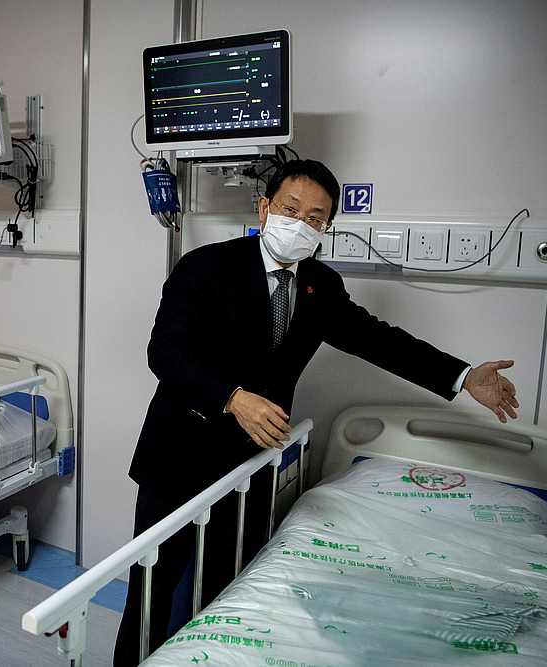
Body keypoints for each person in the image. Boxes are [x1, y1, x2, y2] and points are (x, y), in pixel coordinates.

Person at [112, 158, 520, 665]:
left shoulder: (319, 286)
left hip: (252, 464)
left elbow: (378, 340)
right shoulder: (205, 266)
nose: (300, 223)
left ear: (326, 228)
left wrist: (461, 376)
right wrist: (234, 397)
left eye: (315, 218)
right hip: (180, 456)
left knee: (229, 589)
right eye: (291, 209)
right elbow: (165, 354)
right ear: (265, 209)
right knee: (151, 591)